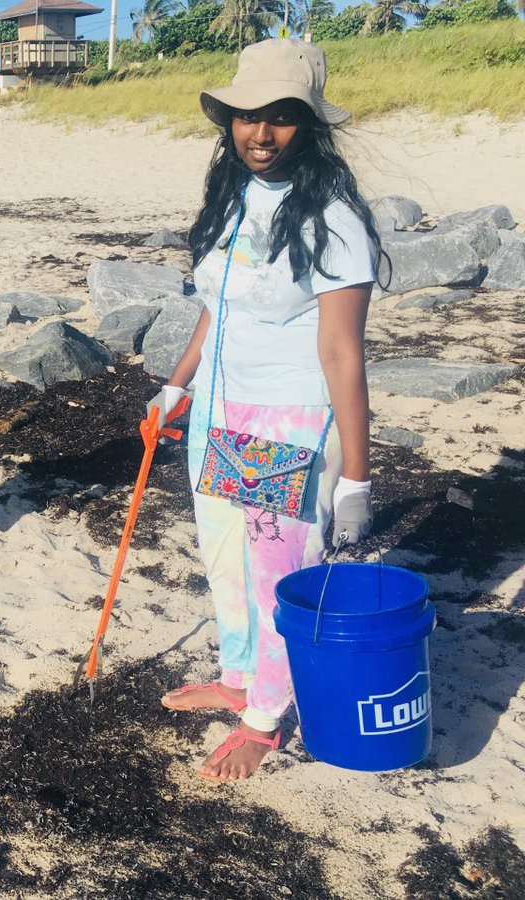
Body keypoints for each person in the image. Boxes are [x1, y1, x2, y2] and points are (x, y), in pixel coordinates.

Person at [147, 40, 384, 780]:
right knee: (226, 557)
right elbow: (220, 307)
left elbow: (344, 352)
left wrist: (356, 478)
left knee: (278, 570)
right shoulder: (236, 196)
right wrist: (175, 386)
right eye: (248, 116)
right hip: (221, 406)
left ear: (308, 126)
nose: (260, 134)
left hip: (286, 416)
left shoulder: (334, 218)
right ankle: (241, 675)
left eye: (282, 118)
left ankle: (266, 716)